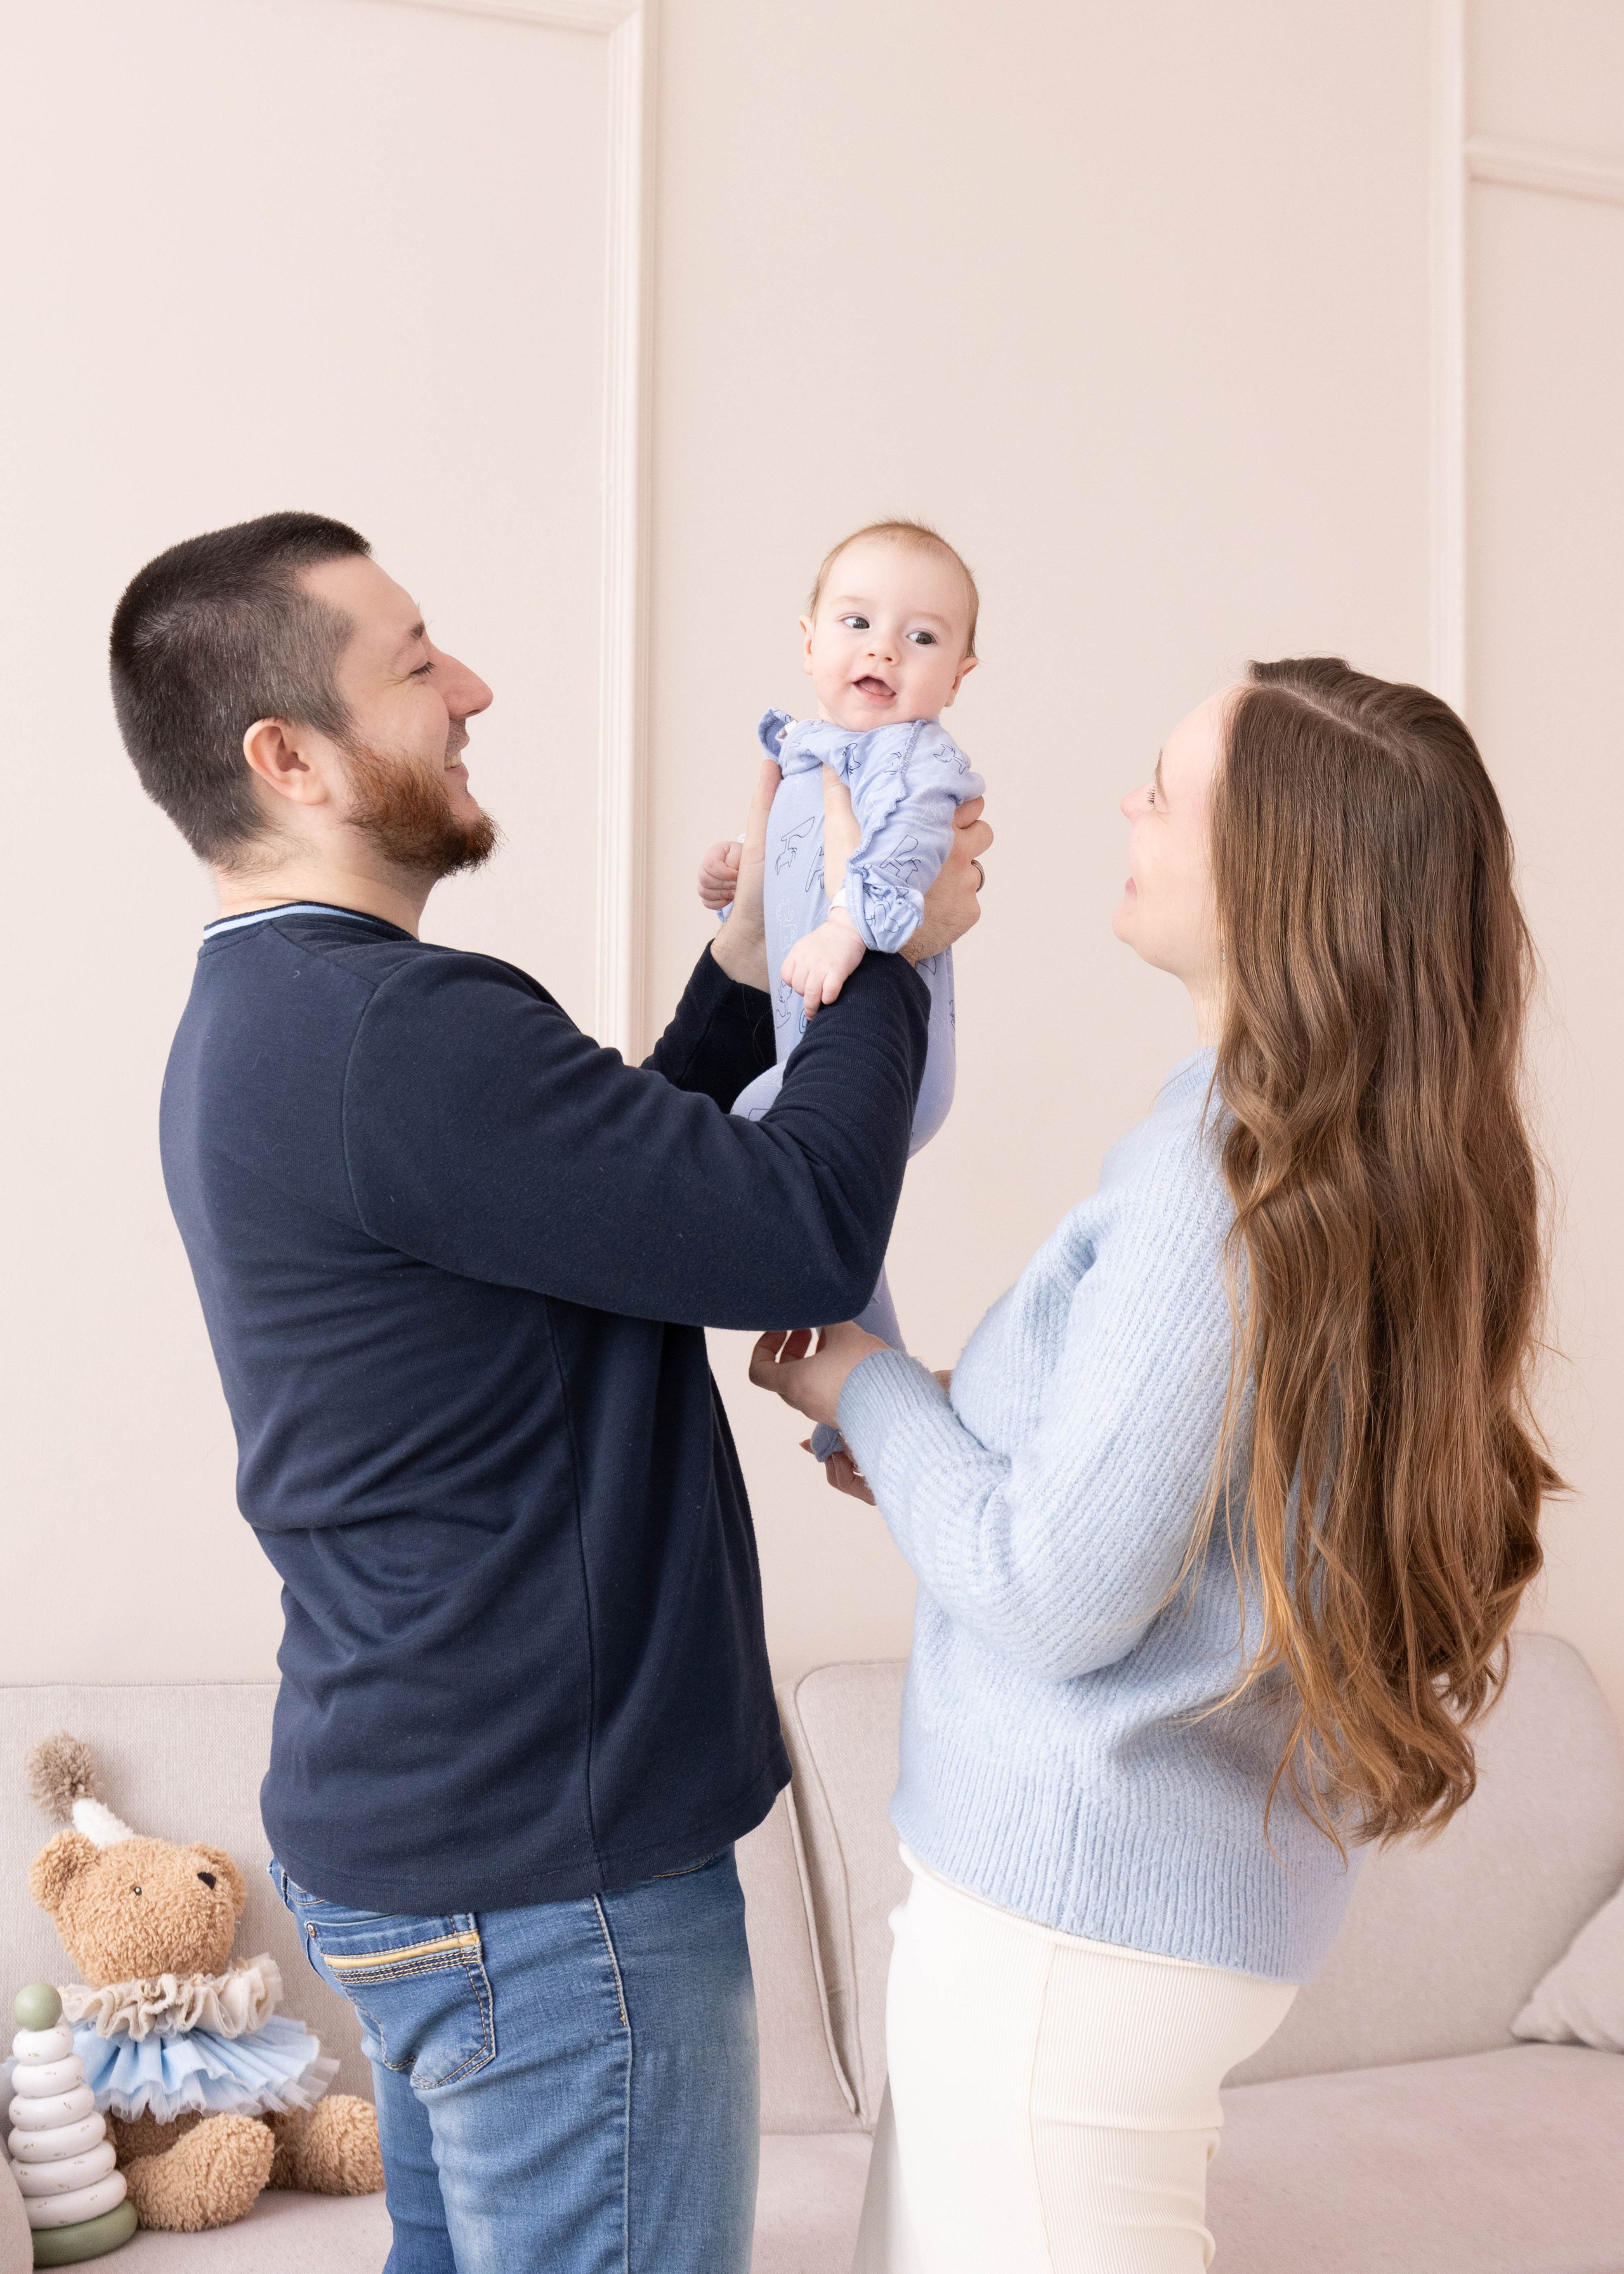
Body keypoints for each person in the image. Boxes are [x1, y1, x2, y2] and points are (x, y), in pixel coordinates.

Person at [107, 508, 992, 2274]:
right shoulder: (393, 1034)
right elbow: (796, 1228)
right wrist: (890, 941)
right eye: (417, 664)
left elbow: (619, 1183)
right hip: (547, 1881)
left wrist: (757, 966)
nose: (473, 689)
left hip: (440, 1839)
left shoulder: (283, 1023)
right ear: (289, 756)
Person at [750, 659, 1554, 2273]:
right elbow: (1196, 1468)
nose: (1126, 804)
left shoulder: (1222, 1181)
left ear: (1277, 873)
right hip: (1124, 1920)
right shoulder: (1333, 1141)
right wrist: (940, 1439)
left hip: (1071, 1921)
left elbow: (1053, 1591)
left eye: (1166, 788)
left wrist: (874, 1385)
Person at [698, 522, 983, 1456]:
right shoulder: (808, 754)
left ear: (960, 674)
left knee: (758, 1134)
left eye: (924, 637)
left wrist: (846, 928)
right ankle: (866, 1409)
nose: (885, 648)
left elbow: (903, 856)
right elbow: (787, 879)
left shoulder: (919, 762)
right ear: (810, 639)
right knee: (811, 1196)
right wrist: (739, 885)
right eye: (857, 621)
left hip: (899, 1067)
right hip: (823, 1052)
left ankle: (863, 1395)